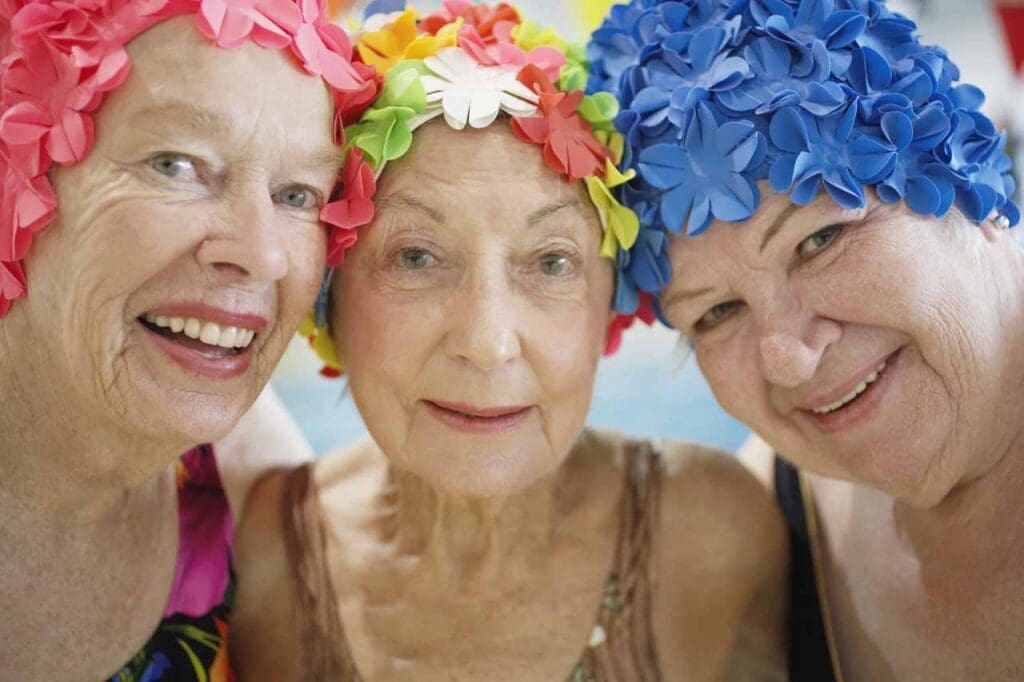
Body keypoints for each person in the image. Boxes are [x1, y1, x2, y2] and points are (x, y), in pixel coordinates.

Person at [229, 3, 786, 680]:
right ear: (328, 296)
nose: (489, 344)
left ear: (608, 303)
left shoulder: (711, 538)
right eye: (415, 258)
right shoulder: (263, 554)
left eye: (551, 262)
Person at [591, 0, 1024, 680]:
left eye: (819, 240)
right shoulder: (764, 520)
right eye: (717, 313)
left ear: (962, 175)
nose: (789, 358)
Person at [0, 1, 377, 679]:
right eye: (177, 165)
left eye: (298, 195)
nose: (262, 255)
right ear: (17, 177)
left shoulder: (259, 509)